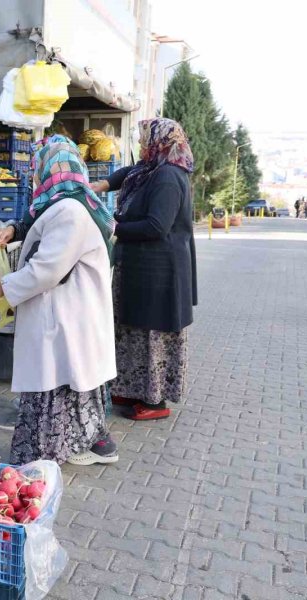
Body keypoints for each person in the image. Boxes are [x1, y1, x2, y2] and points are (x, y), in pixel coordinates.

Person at [0, 135, 118, 466]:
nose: (34, 177)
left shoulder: (69, 211)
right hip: (71, 315)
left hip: (65, 317)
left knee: (59, 381)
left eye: (37, 169)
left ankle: (49, 454)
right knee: (72, 383)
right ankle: (80, 444)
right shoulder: (72, 203)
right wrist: (15, 229)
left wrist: (3, 285)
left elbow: (48, 269)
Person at [94, 118, 197, 421]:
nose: (140, 147)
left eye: (143, 142)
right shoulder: (151, 169)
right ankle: (131, 389)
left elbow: (156, 226)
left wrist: (115, 227)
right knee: (132, 332)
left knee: (152, 336)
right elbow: (129, 172)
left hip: (160, 275)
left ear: (159, 144)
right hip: (141, 271)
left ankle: (154, 402)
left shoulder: (167, 176)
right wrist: (104, 184)